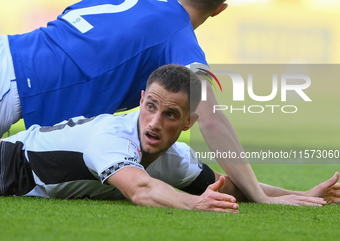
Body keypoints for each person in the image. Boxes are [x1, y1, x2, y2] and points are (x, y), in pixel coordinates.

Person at [0, 0, 333, 205]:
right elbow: (213, 120)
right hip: (16, 84)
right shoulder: (180, 38)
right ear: (219, 9)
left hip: (10, 47)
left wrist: (300, 195)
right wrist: (260, 196)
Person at [0, 65, 339, 210]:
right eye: (151, 107)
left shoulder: (176, 157)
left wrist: (301, 195)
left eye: (170, 115)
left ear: (188, 123)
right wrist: (195, 203)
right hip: (8, 165)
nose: (155, 122)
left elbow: (232, 187)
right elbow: (141, 189)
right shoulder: (110, 138)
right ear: (142, 98)